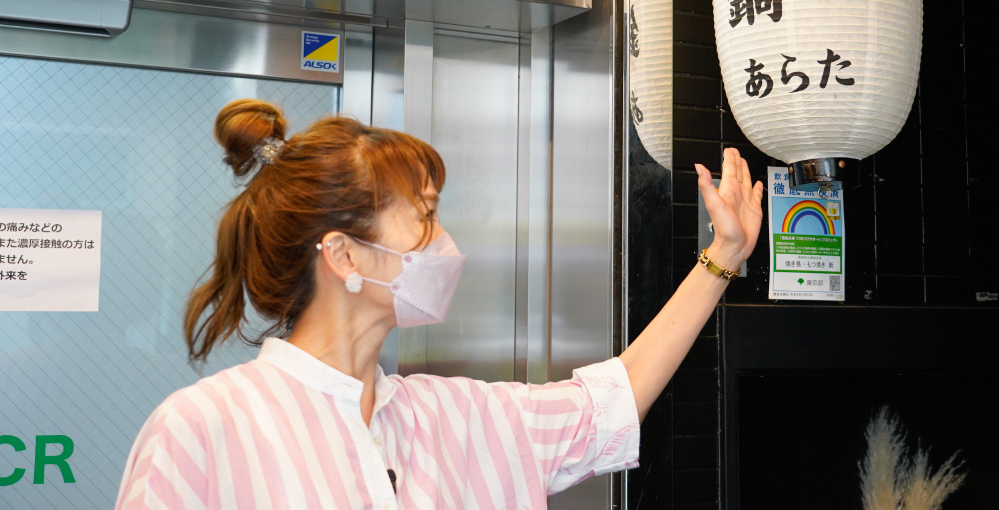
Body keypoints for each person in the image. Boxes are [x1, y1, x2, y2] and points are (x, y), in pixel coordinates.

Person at [115, 99, 763, 509]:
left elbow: (611, 399)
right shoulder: (200, 429)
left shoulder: (460, 414)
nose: (444, 243)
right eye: (423, 217)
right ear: (342, 255)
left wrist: (723, 258)